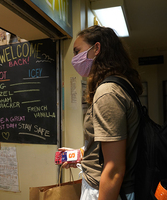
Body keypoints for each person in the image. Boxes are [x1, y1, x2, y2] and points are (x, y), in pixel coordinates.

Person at [59, 25, 143, 200]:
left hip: (105, 190)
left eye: (77, 51)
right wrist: (82, 155)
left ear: (96, 48)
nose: (74, 59)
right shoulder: (120, 84)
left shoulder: (107, 93)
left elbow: (113, 169)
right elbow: (112, 146)